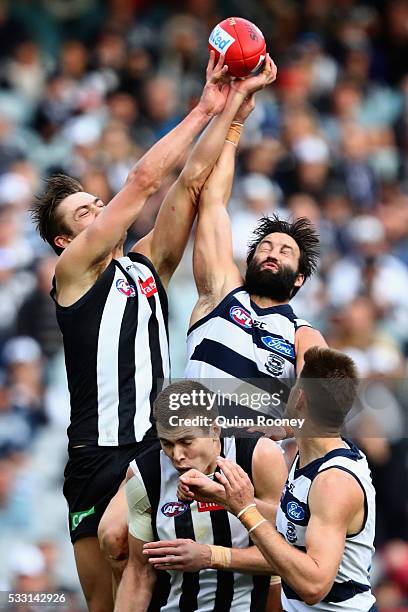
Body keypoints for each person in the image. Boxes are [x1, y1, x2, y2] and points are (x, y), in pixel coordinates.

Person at [30, 52, 277, 612]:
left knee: (129, 546)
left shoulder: (146, 267)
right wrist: (202, 107)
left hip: (154, 448)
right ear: (65, 242)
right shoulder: (70, 276)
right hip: (94, 453)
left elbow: (189, 183)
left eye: (97, 203)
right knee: (103, 596)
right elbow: (143, 181)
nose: (100, 210)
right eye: (85, 214)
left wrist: (236, 105)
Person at [190, 347, 377, 611]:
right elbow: (295, 520)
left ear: (299, 397)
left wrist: (244, 510)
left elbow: (313, 586)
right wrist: (224, 498)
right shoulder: (314, 452)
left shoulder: (333, 482)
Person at [115, 380, 287, 612]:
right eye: (167, 443)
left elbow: (291, 558)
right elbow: (139, 573)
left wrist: (211, 556)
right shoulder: (145, 473)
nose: (177, 456)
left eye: (186, 442)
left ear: (214, 430)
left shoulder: (258, 456)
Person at [185, 117, 327, 393]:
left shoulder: (302, 334)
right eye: (265, 247)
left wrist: (283, 430)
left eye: (285, 251)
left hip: (258, 435)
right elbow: (213, 202)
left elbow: (319, 409)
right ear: (249, 262)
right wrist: (234, 124)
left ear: (299, 278)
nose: (272, 253)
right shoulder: (221, 295)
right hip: (196, 432)